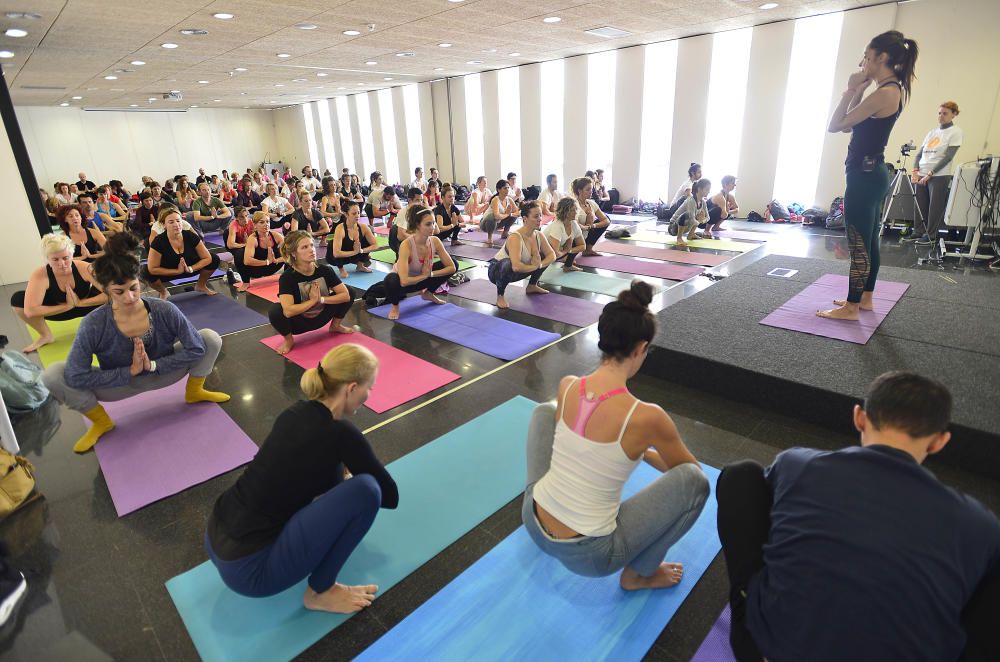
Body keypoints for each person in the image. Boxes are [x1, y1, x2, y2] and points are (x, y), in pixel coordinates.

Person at [716, 372, 1000, 662]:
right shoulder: (979, 524)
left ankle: (748, 601)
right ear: (940, 441)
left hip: (765, 652)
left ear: (859, 418)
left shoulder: (796, 463)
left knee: (741, 475)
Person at [523, 281, 710, 590]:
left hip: (532, 521)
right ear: (640, 349)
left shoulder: (568, 385)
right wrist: (642, 450)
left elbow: (573, 441)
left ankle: (550, 510)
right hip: (591, 557)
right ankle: (638, 575)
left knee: (545, 412)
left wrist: (631, 450)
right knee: (696, 484)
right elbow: (688, 471)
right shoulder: (648, 417)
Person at [205, 343, 397, 612]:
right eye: (370, 387)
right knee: (367, 490)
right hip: (250, 573)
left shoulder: (293, 413)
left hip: (215, 536)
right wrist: (353, 465)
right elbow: (389, 496)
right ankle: (321, 591)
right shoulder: (342, 434)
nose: (370, 394)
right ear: (352, 388)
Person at [42, 233, 229, 453]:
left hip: (164, 373)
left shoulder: (164, 309)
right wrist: (128, 372)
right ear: (106, 291)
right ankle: (102, 422)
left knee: (210, 337)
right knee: (52, 374)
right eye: (119, 292)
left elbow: (197, 347)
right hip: (120, 386)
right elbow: (74, 374)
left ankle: (194, 391)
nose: (129, 297)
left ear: (140, 283)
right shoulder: (93, 323)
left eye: (134, 288)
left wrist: (154, 366)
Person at [821, 31, 918, 321]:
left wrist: (849, 90)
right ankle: (865, 299)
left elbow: (836, 125)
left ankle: (850, 308)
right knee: (870, 240)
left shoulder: (885, 93)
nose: (863, 61)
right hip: (871, 173)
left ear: (881, 57)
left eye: (866, 55)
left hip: (864, 177)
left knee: (858, 242)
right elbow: (852, 125)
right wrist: (859, 91)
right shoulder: (891, 89)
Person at [10, 233, 107, 353]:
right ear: (47, 259)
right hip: (58, 311)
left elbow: (111, 294)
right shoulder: (40, 274)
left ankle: (110, 327)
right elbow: (30, 311)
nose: (62, 264)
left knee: (114, 290)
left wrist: (80, 303)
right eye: (55, 259)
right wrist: (67, 305)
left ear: (72, 255)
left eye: (65, 258)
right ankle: (45, 335)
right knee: (18, 299)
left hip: (86, 307)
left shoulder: (85, 268)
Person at [268, 231, 355, 354]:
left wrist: (321, 300)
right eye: (304, 247)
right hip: (300, 323)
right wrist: (313, 301)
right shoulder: (287, 278)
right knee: (275, 310)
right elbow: (288, 311)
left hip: (323, 315)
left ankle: (335, 325)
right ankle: (288, 340)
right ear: (294, 253)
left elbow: (346, 295)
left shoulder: (325, 270)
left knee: (350, 291)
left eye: (311, 245)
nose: (311, 250)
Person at [382, 205, 457, 320]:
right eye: (428, 224)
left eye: (433, 223)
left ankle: (428, 293)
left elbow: (452, 267)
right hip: (405, 284)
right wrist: (424, 275)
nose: (432, 227)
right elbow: (404, 281)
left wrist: (430, 274)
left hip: (424, 277)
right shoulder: (406, 245)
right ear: (417, 225)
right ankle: (395, 306)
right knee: (390, 280)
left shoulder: (435, 241)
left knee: (454, 263)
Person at [905, 101, 963, 246]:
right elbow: (919, 154)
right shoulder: (932, 132)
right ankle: (917, 231)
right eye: (939, 113)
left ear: (953, 115)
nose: (941, 116)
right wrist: (915, 171)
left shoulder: (956, 132)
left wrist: (930, 173)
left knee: (934, 207)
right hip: (921, 173)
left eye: (945, 113)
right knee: (920, 204)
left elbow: (948, 157)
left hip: (939, 175)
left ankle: (930, 235)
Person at [487, 201, 555, 309]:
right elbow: (516, 267)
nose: (540, 219)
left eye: (540, 215)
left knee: (543, 256)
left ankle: (532, 285)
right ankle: (500, 296)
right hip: (496, 271)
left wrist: (540, 265)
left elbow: (552, 255)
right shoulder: (515, 237)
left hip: (519, 270)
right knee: (507, 264)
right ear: (525, 219)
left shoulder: (539, 235)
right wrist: (535, 266)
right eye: (536, 216)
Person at [144, 208, 221, 298]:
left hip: (190, 268)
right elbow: (152, 268)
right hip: (168, 272)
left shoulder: (190, 235)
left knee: (214, 259)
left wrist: (191, 268)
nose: (176, 225)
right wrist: (177, 271)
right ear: (164, 225)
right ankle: (163, 292)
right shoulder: (158, 242)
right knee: (146, 271)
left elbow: (207, 258)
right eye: (171, 222)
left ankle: (201, 285)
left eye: (178, 221)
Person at [328, 200, 378, 278]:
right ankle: (341, 269)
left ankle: (360, 266)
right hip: (338, 258)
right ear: (346, 214)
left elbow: (375, 245)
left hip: (355, 254)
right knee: (332, 244)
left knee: (367, 241)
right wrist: (355, 252)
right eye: (354, 213)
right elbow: (336, 253)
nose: (357, 216)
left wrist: (361, 250)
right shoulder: (340, 228)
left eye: (358, 212)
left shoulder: (363, 227)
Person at [237, 211, 285, 287]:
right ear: (255, 225)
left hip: (274, 266)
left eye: (268, 222)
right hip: (257, 270)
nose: (266, 224)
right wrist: (267, 262)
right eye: (262, 222)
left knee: (292, 250)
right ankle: (246, 282)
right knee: (239, 253)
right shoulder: (253, 239)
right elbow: (247, 261)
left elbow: (290, 254)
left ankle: (287, 277)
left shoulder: (277, 236)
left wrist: (277, 260)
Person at [570, 176, 611, 255]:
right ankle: (568, 254)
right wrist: (587, 222)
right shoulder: (573, 204)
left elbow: (606, 220)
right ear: (579, 191)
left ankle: (588, 250)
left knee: (604, 219)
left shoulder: (591, 203)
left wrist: (591, 226)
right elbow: (571, 225)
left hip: (585, 234)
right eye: (588, 189)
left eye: (591, 189)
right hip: (573, 238)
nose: (591, 191)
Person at [543, 197, 586, 272]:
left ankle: (568, 266)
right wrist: (566, 250)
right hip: (543, 253)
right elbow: (555, 254)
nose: (575, 212)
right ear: (565, 212)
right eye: (572, 210)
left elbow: (582, 246)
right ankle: (534, 280)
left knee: (575, 243)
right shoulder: (558, 225)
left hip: (559, 250)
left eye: (576, 209)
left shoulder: (573, 223)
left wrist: (568, 250)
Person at [669, 178, 711, 246]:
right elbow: (691, 219)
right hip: (673, 228)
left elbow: (708, 217)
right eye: (707, 189)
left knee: (699, 216)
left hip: (686, 227)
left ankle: (691, 234)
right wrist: (700, 220)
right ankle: (679, 238)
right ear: (700, 189)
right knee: (688, 215)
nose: (709, 191)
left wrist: (701, 220)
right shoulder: (691, 201)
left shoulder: (703, 202)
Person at [479, 179, 519, 248]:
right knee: (492, 216)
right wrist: (507, 214)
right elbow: (496, 216)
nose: (507, 190)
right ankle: (489, 237)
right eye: (505, 188)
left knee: (514, 215)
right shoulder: (495, 199)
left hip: (498, 223)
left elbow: (517, 212)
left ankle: (505, 233)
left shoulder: (509, 199)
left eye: (508, 188)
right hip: (485, 224)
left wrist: (511, 214)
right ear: (499, 190)